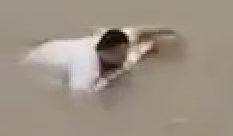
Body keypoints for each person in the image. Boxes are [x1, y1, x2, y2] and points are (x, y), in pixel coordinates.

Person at [23, 25, 179, 95]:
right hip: (35, 69)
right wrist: (122, 69)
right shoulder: (86, 67)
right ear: (108, 52)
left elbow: (136, 31)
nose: (125, 56)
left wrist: (166, 30)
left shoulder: (105, 39)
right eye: (121, 54)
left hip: (49, 49)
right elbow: (81, 96)